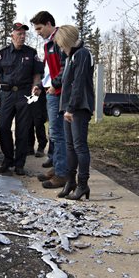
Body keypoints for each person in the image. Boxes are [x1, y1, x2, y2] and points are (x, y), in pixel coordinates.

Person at [0, 22, 44, 176]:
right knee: (3, 126)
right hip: (6, 95)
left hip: (25, 95)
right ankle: (8, 159)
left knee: (23, 130)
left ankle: (20, 163)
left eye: (24, 34)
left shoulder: (32, 53)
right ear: (12, 35)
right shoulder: (3, 53)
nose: (22, 37)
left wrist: (36, 87)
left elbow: (37, 75)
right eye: (19, 34)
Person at [54, 25, 95, 200]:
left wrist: (71, 108)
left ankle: (83, 184)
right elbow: (66, 81)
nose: (61, 48)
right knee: (70, 146)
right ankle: (70, 182)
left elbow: (78, 83)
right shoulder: (71, 56)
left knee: (79, 146)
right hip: (68, 107)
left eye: (61, 44)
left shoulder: (82, 54)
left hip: (78, 107)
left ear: (66, 40)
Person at [30, 11, 68, 189]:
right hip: (50, 90)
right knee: (54, 133)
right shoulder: (48, 44)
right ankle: (58, 167)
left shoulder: (60, 39)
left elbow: (65, 67)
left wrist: (54, 84)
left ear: (48, 24)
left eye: (39, 28)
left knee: (58, 133)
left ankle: (62, 174)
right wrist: (41, 85)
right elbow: (48, 68)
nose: (37, 32)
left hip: (59, 92)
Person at [27, 86, 48, 157]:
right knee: (28, 124)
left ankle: (41, 147)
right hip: (28, 96)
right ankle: (29, 147)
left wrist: (39, 86)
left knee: (39, 123)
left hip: (39, 96)